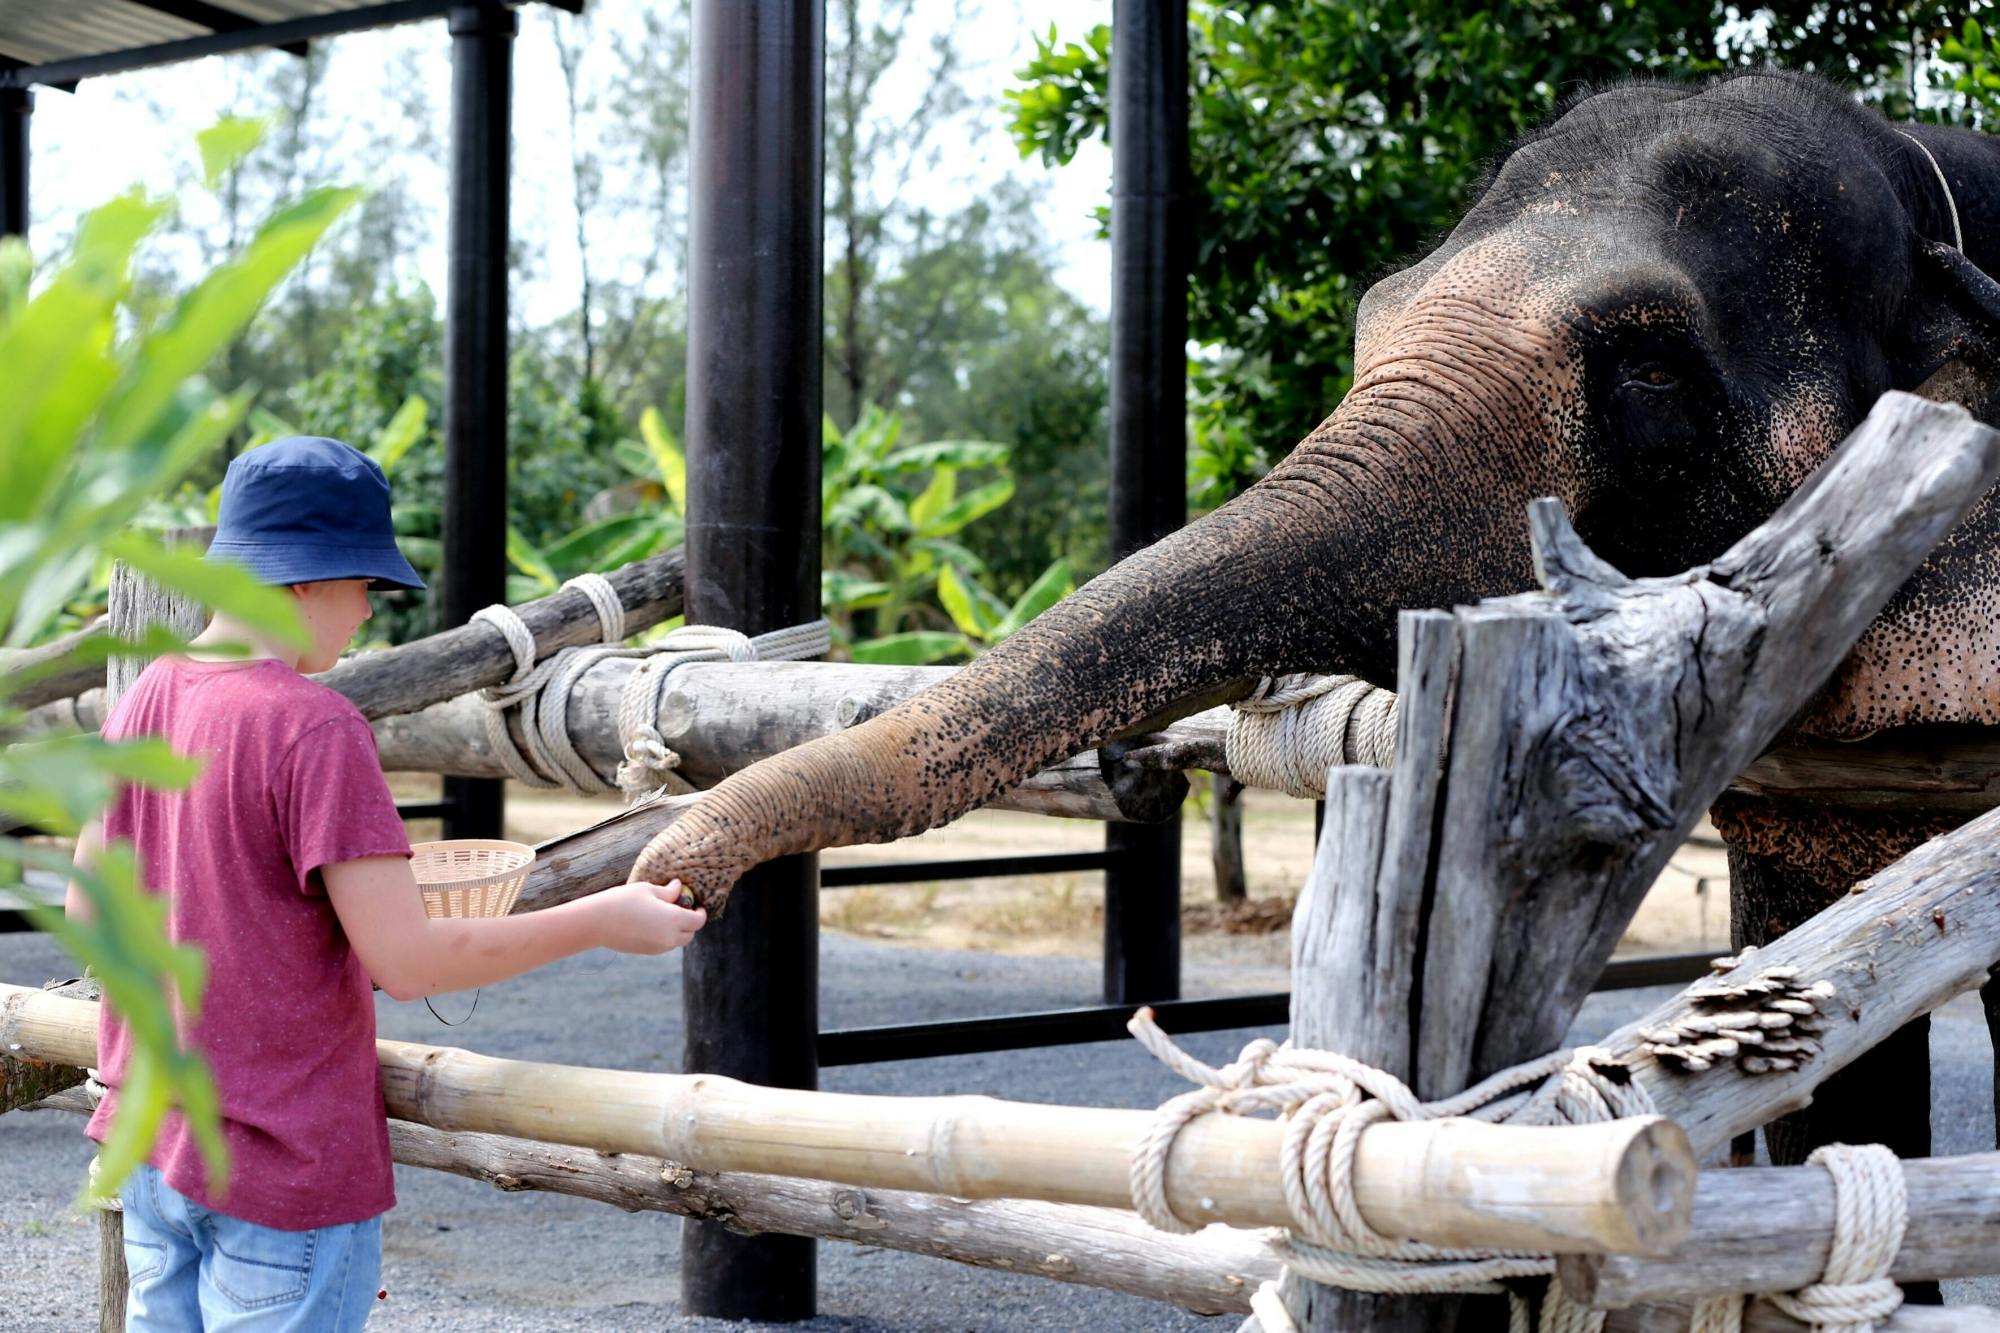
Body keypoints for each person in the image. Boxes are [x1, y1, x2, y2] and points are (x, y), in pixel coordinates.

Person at [64, 436, 705, 1332]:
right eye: (363, 582)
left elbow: (88, 908)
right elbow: (409, 963)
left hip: (151, 1148)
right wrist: (602, 918)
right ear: (301, 581)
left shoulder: (148, 696)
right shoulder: (314, 727)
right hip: (278, 1166)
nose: (369, 609)